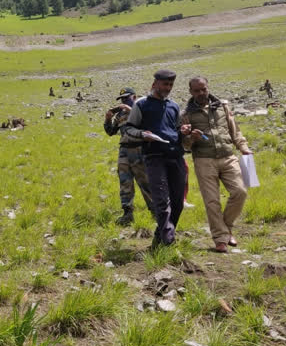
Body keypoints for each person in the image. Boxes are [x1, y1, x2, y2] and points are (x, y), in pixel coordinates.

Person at [180, 76, 252, 253]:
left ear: (208, 87)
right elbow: (184, 145)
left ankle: (226, 229)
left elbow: (235, 130)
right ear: (190, 92)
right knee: (212, 201)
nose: (201, 93)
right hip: (204, 161)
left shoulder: (223, 106)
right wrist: (191, 138)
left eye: (203, 89)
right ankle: (220, 239)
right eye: (196, 90)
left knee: (240, 192)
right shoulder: (185, 114)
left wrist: (244, 147)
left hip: (228, 157)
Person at [122, 69, 187, 246]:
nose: (168, 88)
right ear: (154, 84)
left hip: (176, 156)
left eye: (171, 85)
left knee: (177, 203)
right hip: (154, 157)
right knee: (161, 201)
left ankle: (160, 238)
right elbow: (128, 129)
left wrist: (184, 132)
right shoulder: (141, 104)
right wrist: (143, 134)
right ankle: (169, 242)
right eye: (165, 84)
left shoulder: (174, 106)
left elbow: (175, 130)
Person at [104, 87, 154, 225]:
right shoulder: (120, 116)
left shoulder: (143, 108)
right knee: (125, 181)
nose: (124, 101)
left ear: (135, 97)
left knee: (145, 181)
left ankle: (155, 211)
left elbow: (149, 124)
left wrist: (130, 110)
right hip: (124, 150)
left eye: (127, 98)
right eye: (122, 99)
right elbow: (110, 132)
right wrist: (108, 119)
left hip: (139, 149)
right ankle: (127, 213)